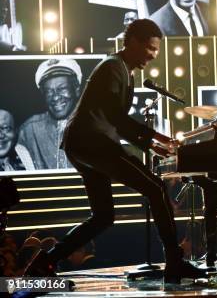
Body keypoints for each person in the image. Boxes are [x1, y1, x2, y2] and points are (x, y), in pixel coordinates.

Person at [25, 19, 207, 283]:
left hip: (84, 145)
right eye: (150, 48)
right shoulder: (113, 67)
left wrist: (150, 144)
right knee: (155, 189)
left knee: (103, 216)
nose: (154, 55)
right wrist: (156, 136)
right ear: (133, 42)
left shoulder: (121, 69)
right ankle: (175, 263)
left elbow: (114, 119)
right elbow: (114, 115)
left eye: (156, 50)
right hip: (92, 144)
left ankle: (45, 261)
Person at [18, 59, 82, 170]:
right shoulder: (29, 130)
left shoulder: (95, 125)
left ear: (76, 89)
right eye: (49, 91)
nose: (55, 97)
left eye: (62, 88)